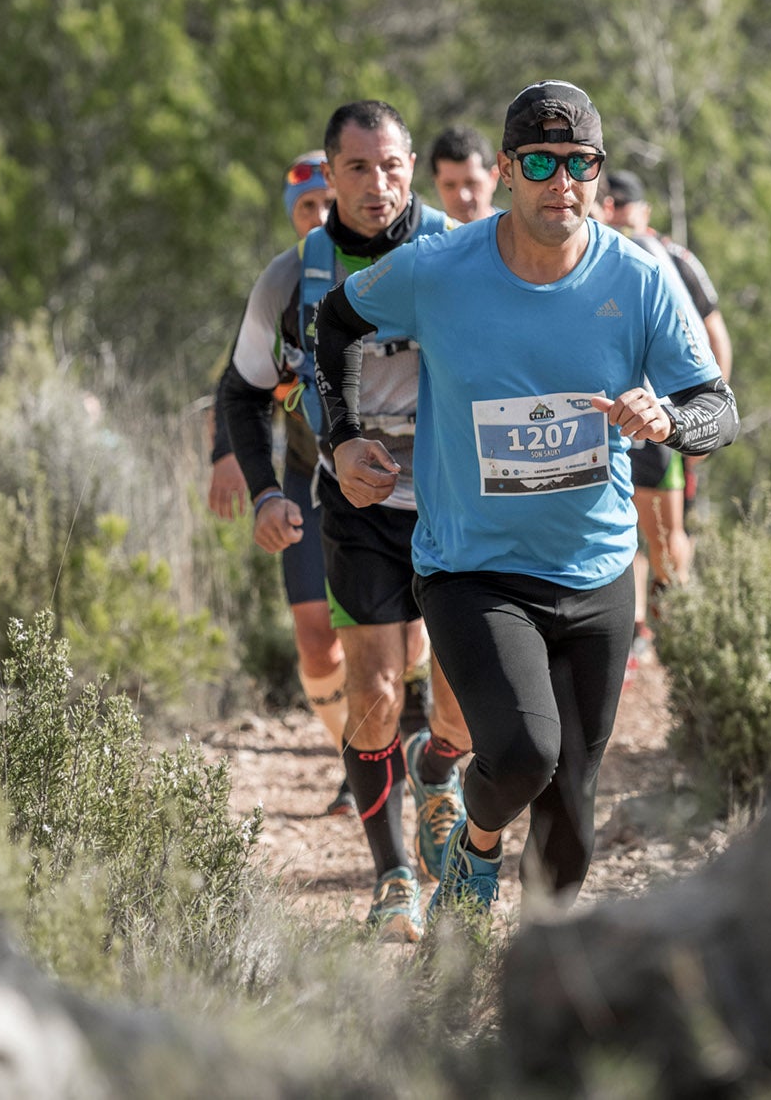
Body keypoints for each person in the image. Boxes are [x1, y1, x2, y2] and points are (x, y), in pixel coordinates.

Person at [315, 80, 738, 917]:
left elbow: (717, 407)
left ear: (597, 174)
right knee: (521, 751)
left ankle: (538, 985)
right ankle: (473, 847)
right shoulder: (440, 269)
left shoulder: (640, 277)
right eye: (539, 162)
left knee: (571, 821)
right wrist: (341, 437)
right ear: (506, 169)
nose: (561, 182)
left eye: (579, 164)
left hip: (597, 570)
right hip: (475, 567)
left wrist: (669, 418)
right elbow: (332, 324)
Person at [218, 102, 477, 941]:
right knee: (369, 687)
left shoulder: (461, 253)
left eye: (393, 165)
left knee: (459, 705)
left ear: (414, 166)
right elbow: (242, 390)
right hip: (355, 510)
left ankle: (438, 767)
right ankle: (393, 875)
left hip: (453, 502)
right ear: (327, 176)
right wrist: (265, 490)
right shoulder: (293, 277)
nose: (379, 184)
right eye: (358, 168)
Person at [205, 153, 352, 813]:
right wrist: (226, 454)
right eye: (307, 209)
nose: (320, 217)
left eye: (329, 202)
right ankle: (358, 751)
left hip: (393, 481)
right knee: (317, 641)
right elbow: (238, 380)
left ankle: (403, 759)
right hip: (305, 478)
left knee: (395, 630)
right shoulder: (283, 283)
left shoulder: (386, 268)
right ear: (293, 216)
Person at [597, 170, 733, 637]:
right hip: (611, 412)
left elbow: (715, 333)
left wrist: (701, 417)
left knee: (664, 530)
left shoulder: (667, 255)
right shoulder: (590, 253)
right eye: (614, 206)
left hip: (662, 415)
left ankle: (674, 631)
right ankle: (638, 633)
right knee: (625, 527)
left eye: (625, 207)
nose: (621, 216)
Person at [429, 125, 501, 224]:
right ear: (436, 184)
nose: (463, 196)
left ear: (493, 178)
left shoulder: (520, 234)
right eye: (449, 185)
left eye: (471, 183)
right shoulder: (427, 238)